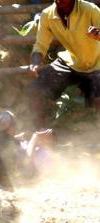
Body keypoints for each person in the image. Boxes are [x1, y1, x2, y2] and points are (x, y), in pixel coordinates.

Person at [27, 0, 100, 129]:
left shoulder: (90, 10)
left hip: (97, 63)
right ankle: (41, 133)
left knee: (98, 100)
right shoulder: (47, 15)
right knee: (35, 90)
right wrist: (35, 63)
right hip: (71, 61)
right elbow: (40, 45)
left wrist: (98, 34)